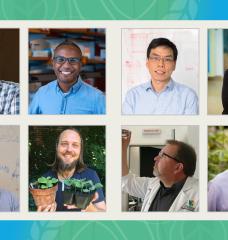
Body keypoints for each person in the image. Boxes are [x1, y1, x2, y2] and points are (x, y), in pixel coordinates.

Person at [122, 130, 199, 211]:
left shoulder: (200, 194)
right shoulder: (153, 185)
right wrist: (123, 147)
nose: (155, 158)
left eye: (162, 155)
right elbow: (126, 180)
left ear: (178, 167)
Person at [122, 38, 198, 115]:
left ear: (174, 65)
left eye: (167, 59)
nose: (161, 64)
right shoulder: (132, 96)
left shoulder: (188, 96)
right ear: (147, 62)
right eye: (155, 58)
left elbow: (187, 127)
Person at [37, 128, 106, 212]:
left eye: (75, 145)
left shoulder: (90, 176)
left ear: (80, 150)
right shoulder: (45, 179)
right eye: (64, 144)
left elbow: (103, 214)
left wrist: (89, 208)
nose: (69, 149)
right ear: (57, 147)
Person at [29, 41, 105, 114]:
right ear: (53, 63)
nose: (66, 66)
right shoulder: (41, 93)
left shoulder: (98, 98)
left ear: (81, 64)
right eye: (60, 59)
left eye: (73, 60)